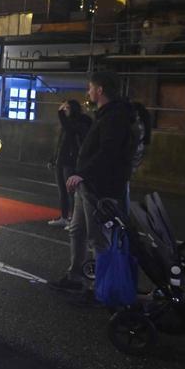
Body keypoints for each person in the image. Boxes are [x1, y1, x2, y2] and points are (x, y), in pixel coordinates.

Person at [49, 71, 135, 292]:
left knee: (98, 238)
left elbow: (108, 151)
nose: (88, 92)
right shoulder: (105, 113)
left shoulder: (115, 115)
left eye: (90, 88)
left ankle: (101, 287)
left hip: (99, 186)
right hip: (86, 185)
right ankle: (75, 275)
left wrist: (83, 173)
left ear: (100, 90)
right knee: (76, 229)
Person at [48, 100, 92, 227]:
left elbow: (70, 129)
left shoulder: (80, 122)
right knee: (62, 190)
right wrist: (54, 158)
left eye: (67, 108)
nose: (65, 110)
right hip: (61, 160)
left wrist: (60, 113)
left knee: (70, 191)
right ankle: (64, 216)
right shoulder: (66, 123)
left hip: (70, 161)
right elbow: (61, 143)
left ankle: (73, 219)